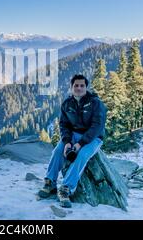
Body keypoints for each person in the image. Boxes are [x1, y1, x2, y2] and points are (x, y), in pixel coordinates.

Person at [38, 74, 107, 208]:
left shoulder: (95, 103)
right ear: (71, 87)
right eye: (76, 85)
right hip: (73, 135)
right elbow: (64, 125)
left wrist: (80, 144)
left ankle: (66, 189)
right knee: (58, 151)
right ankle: (50, 183)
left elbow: (97, 126)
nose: (79, 88)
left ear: (86, 87)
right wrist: (68, 141)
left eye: (82, 85)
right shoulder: (67, 104)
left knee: (82, 155)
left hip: (93, 137)